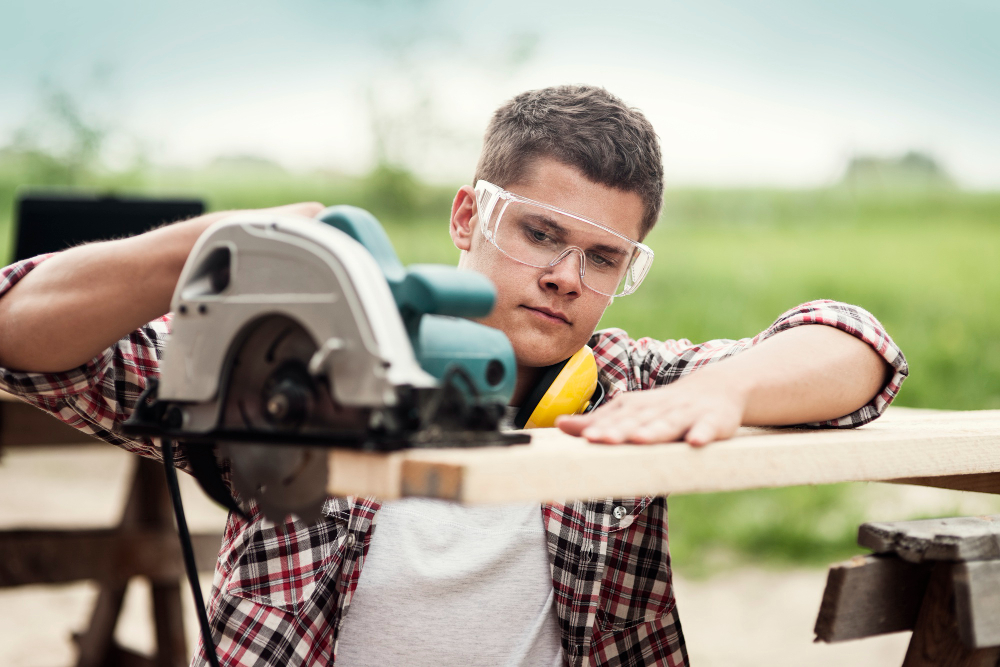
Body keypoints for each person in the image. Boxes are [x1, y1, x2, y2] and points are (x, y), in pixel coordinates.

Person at [0, 85, 907, 667]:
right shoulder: (298, 362)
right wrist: (206, 250)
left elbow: (855, 343)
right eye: (541, 233)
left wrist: (726, 388)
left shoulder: (625, 387)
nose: (565, 276)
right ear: (470, 214)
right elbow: (23, 338)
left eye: (603, 256)